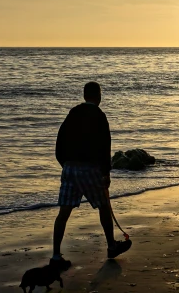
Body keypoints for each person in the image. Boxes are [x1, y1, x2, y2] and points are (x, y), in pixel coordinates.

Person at [50, 82, 131, 270]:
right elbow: (105, 146)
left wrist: (65, 164)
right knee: (103, 206)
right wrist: (106, 173)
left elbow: (59, 142)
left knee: (63, 213)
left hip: (69, 167)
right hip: (89, 168)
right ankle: (111, 245)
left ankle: (55, 255)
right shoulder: (99, 116)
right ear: (98, 96)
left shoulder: (72, 113)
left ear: (84, 95)